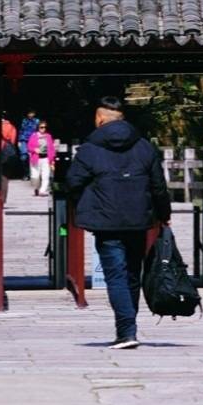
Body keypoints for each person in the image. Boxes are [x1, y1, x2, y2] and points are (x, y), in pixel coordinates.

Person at [66, 92, 171, 350]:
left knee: (116, 276)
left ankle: (126, 332)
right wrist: (164, 215)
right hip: (139, 220)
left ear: (100, 119)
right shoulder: (145, 147)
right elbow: (159, 186)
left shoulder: (89, 150)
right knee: (133, 274)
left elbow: (72, 182)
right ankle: (129, 328)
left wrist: (86, 200)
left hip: (106, 222)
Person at [27, 122, 56, 196]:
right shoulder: (33, 136)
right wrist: (34, 149)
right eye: (41, 127)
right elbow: (29, 147)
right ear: (38, 128)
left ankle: (42, 191)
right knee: (35, 176)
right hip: (36, 159)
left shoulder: (49, 136)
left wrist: (52, 160)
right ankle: (36, 188)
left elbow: (52, 149)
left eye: (45, 127)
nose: (43, 129)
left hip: (46, 159)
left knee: (45, 176)